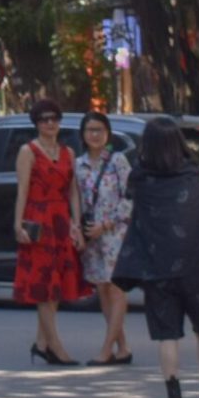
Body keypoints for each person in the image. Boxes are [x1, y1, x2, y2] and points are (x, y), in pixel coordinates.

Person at [112, 116, 199, 398]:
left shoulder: (140, 178)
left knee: (167, 337)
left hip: (157, 268)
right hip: (196, 267)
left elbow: (133, 212)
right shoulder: (192, 174)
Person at [13, 98, 86, 365]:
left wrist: (76, 223)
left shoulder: (68, 153)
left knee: (56, 285)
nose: (50, 123)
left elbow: (73, 191)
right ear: (36, 123)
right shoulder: (28, 151)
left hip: (61, 221)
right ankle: (55, 346)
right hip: (38, 220)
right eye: (44, 119)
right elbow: (22, 190)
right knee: (43, 285)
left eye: (54, 118)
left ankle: (42, 342)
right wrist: (18, 224)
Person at [76, 110, 134, 365]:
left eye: (99, 130)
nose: (95, 135)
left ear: (108, 133)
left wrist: (107, 224)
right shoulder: (78, 165)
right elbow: (76, 199)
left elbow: (130, 197)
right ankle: (122, 347)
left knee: (116, 289)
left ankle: (106, 349)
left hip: (115, 233)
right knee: (102, 289)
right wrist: (80, 228)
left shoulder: (118, 161)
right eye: (90, 130)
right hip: (92, 236)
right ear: (83, 134)